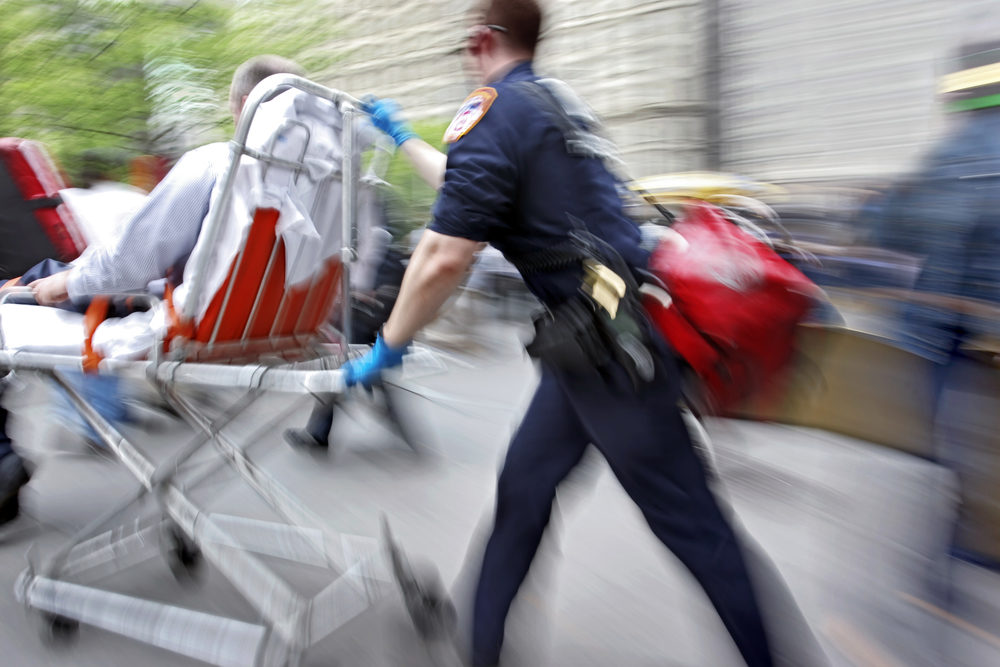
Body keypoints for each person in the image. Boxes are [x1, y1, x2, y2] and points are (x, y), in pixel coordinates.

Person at [336, 1, 791, 664]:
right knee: (524, 487)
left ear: (484, 39)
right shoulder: (548, 104)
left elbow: (444, 254)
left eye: (466, 45)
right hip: (598, 343)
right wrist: (401, 135)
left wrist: (391, 344)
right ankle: (479, 641)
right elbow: (467, 188)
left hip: (612, 356)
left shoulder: (494, 111)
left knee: (694, 526)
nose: (465, 59)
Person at [0, 55, 306, 527]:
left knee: (29, 289)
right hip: (274, 325)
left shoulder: (214, 164)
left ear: (246, 105)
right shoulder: (316, 187)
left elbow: (131, 261)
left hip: (182, 319)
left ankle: (2, 456)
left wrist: (66, 282)